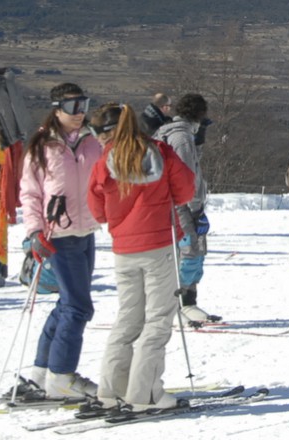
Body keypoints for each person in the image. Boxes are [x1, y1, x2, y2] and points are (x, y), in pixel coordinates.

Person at [86, 102, 196, 412]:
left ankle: (110, 389)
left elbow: (96, 209)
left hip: (124, 247)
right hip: (159, 243)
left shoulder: (105, 161)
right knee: (158, 320)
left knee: (128, 318)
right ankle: (144, 394)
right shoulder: (158, 151)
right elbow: (185, 191)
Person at [18, 82, 103, 398]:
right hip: (60, 235)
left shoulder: (91, 142)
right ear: (57, 109)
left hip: (86, 231)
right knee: (79, 307)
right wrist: (34, 232)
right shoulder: (43, 146)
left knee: (68, 303)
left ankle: (43, 372)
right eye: (72, 107)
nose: (79, 113)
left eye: (84, 104)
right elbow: (30, 193)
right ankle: (62, 376)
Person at [153, 93, 217, 324]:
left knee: (191, 251)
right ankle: (182, 302)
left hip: (179, 204)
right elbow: (186, 175)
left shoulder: (178, 133)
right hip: (182, 205)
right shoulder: (180, 137)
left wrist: (198, 141)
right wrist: (196, 208)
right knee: (190, 251)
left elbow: (188, 161)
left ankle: (188, 300)